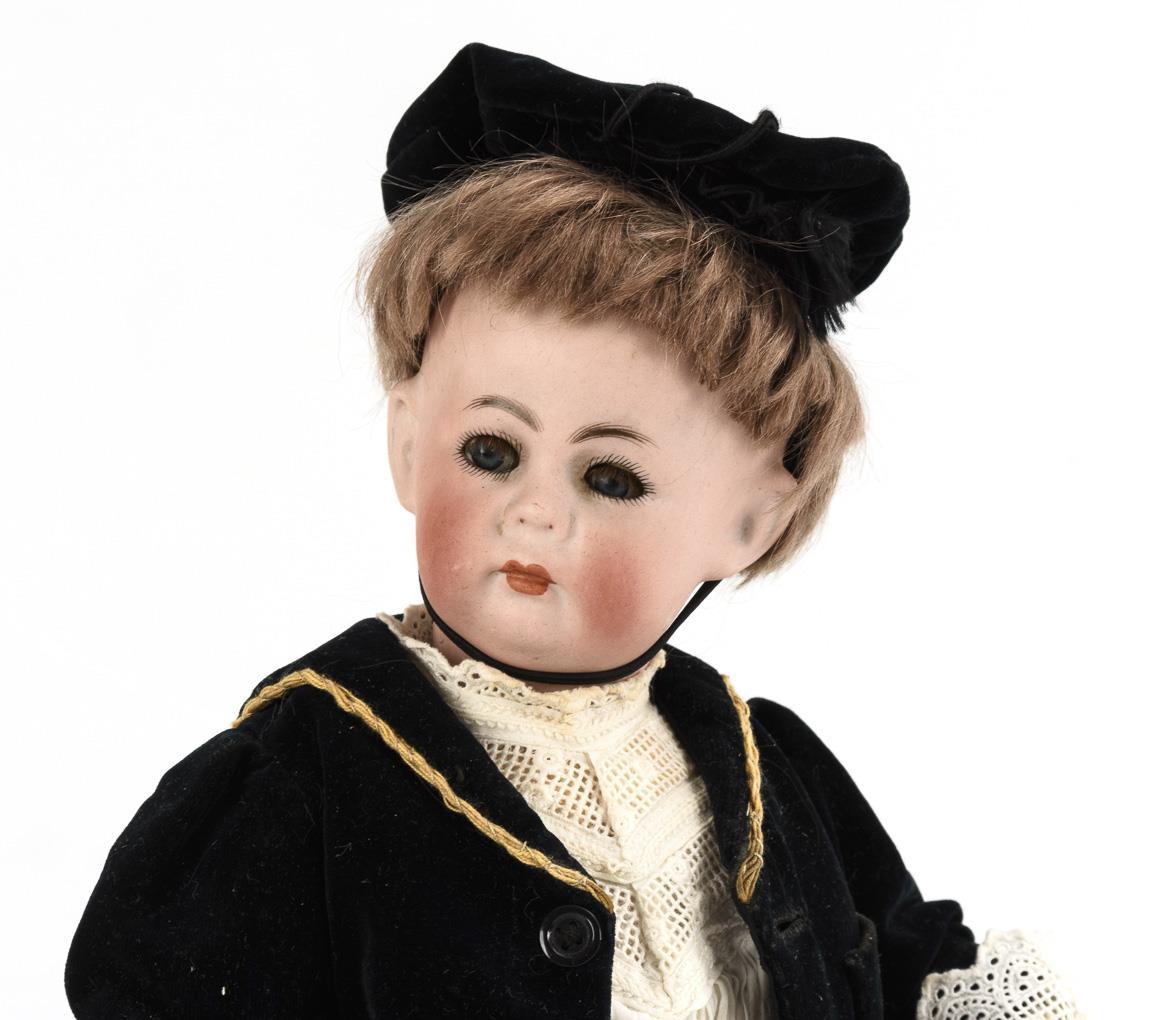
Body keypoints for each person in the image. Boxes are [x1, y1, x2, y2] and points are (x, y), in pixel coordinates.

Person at [64, 43, 1085, 1019]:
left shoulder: (768, 771)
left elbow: (914, 968)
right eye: (491, 451)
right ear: (409, 442)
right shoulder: (302, 781)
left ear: (751, 518)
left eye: (611, 478)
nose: (536, 510)